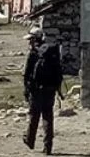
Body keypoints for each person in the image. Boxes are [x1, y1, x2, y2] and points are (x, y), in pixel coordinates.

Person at [22, 27, 62, 155]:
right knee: (48, 117)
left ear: (34, 39)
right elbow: (59, 72)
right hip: (50, 89)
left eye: (30, 40)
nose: (29, 43)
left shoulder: (34, 53)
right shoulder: (52, 53)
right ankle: (48, 146)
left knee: (34, 116)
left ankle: (30, 140)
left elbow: (26, 74)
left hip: (36, 90)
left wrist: (26, 90)